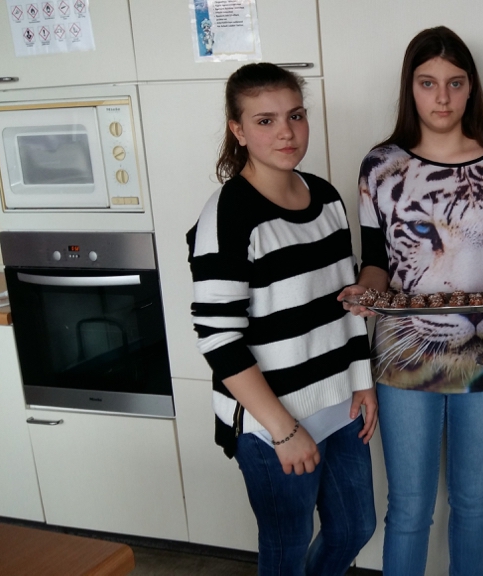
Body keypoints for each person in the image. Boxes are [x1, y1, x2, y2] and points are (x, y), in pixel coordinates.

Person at [337, 27, 483, 576]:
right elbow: (376, 258)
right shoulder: (381, 166)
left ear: (472, 87)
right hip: (405, 352)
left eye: (455, 83)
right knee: (409, 508)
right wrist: (368, 292)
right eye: (428, 83)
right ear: (411, 88)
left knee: (473, 499)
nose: (442, 97)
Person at [187, 62, 377, 575]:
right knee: (287, 548)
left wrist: (362, 381)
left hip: (339, 404)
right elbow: (218, 338)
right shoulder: (228, 215)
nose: (286, 132)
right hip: (272, 421)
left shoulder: (327, 197)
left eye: (295, 115)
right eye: (265, 120)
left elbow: (346, 303)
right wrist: (283, 430)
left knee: (355, 528)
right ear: (238, 130)